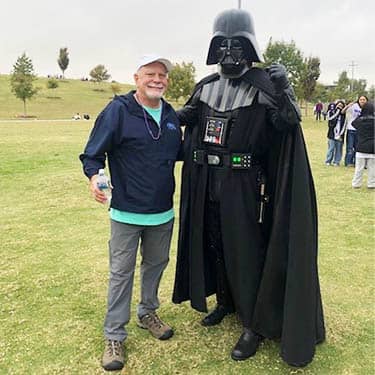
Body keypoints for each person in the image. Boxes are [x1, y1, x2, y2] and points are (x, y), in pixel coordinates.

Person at [172, 8, 325, 368]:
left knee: (245, 249)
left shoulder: (264, 87)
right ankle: (226, 301)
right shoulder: (205, 87)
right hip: (206, 181)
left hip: (244, 185)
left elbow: (287, 123)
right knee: (215, 242)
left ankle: (254, 324)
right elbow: (180, 119)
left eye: (236, 44)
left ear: (249, 45)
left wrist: (285, 87)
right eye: (222, 45)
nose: (229, 52)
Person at [79, 54, 182, 371]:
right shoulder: (118, 111)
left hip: (162, 213)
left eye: (162, 75)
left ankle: (147, 312)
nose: (157, 79)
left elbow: (179, 153)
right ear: (136, 78)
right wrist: (95, 177)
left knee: (156, 266)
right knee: (121, 275)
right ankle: (113, 335)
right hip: (126, 214)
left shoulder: (171, 115)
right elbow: (92, 155)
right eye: (150, 74)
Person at [351, 100, 375, 188]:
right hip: (372, 147)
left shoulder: (359, 121)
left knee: (359, 168)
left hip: (361, 145)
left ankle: (356, 184)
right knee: (372, 168)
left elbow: (353, 123)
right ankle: (371, 183)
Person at [342, 95, 369, 166]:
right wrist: (347, 106)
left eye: (364, 100)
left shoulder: (368, 108)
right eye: (361, 99)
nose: (362, 101)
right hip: (351, 129)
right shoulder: (354, 106)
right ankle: (348, 162)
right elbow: (343, 112)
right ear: (358, 100)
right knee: (350, 147)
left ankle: (356, 162)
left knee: (358, 147)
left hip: (360, 131)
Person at [325, 100, 346, 166]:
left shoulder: (344, 115)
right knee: (331, 148)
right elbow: (329, 119)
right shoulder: (331, 112)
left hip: (340, 134)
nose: (340, 107)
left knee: (338, 148)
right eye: (338, 105)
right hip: (332, 134)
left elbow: (344, 125)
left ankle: (336, 161)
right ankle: (328, 161)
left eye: (341, 106)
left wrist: (341, 134)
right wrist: (337, 112)